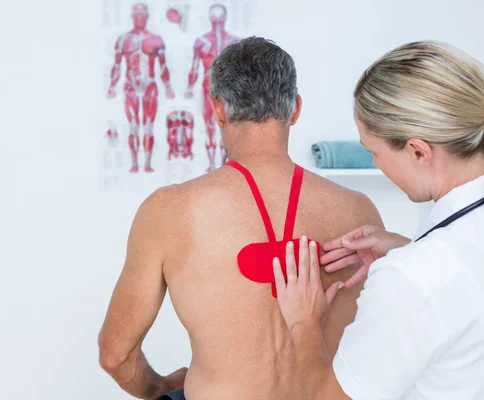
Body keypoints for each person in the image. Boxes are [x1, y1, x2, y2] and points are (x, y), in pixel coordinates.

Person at [98, 37, 382, 400]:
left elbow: (115, 355)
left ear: (217, 109)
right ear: (294, 109)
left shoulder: (169, 211)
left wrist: (161, 388)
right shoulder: (360, 212)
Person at [274, 41, 484, 400]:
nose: (377, 165)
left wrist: (303, 324)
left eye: (374, 152)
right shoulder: (434, 261)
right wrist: (410, 248)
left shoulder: (412, 279)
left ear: (418, 151)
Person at [106, 3, 175, 173]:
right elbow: (117, 66)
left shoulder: (156, 39)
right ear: (132, 16)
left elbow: (163, 66)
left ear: (147, 16)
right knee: (133, 126)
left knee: (149, 126)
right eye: (137, 15)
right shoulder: (123, 39)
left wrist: (167, 87)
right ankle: (135, 163)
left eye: (143, 15)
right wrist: (112, 86)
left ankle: (148, 163)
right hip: (130, 87)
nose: (140, 18)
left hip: (150, 87)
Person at [184, 4, 238, 171]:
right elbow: (194, 67)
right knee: (209, 125)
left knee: (228, 125)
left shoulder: (234, 42)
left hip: (230, 91)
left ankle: (223, 165)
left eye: (220, 18)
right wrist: (189, 87)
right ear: (210, 18)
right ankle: (210, 165)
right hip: (208, 90)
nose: (217, 22)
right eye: (214, 18)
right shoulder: (201, 42)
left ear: (225, 18)